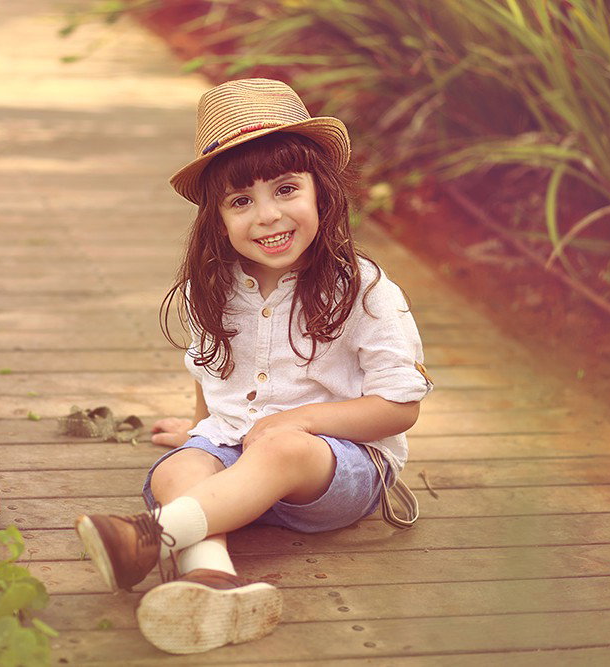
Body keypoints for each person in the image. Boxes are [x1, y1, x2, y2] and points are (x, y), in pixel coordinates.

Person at [74, 78, 433, 655]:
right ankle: (213, 580)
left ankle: (151, 539)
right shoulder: (208, 290)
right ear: (217, 219)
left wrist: (305, 421)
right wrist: (198, 431)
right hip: (238, 448)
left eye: (286, 189)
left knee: (282, 448)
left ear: (324, 193)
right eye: (241, 201)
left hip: (335, 470)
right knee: (176, 470)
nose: (267, 216)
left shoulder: (363, 289)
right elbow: (210, 367)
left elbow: (400, 408)